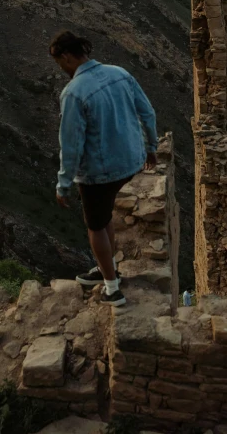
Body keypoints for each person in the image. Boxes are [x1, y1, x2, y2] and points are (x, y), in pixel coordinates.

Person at [50, 30, 158, 307]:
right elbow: (148, 112)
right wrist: (152, 148)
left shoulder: (73, 92)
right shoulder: (119, 73)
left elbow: (71, 145)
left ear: (66, 57)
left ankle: (112, 288)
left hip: (100, 171)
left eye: (60, 63)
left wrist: (63, 184)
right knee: (105, 213)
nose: (61, 69)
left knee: (95, 225)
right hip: (131, 161)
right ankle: (107, 268)